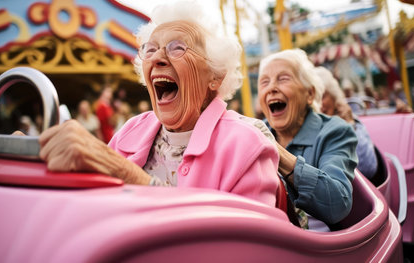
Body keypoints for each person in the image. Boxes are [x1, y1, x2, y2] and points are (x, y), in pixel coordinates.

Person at [38, 1, 279, 206]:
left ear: (215, 76)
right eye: (150, 49)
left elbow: (244, 246)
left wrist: (132, 178)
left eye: (177, 48)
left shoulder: (248, 145)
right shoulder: (130, 131)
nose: (158, 57)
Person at [257, 49, 358, 228]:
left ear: (310, 94)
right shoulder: (250, 134)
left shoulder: (335, 131)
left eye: (283, 79)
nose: (271, 88)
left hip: (318, 246)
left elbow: (337, 205)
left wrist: (273, 148)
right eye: (264, 82)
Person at [316, 66, 378, 180]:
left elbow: (368, 168)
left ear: (334, 97)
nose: (318, 105)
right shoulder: (309, 128)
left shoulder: (351, 121)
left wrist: (349, 124)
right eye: (315, 98)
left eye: (322, 96)